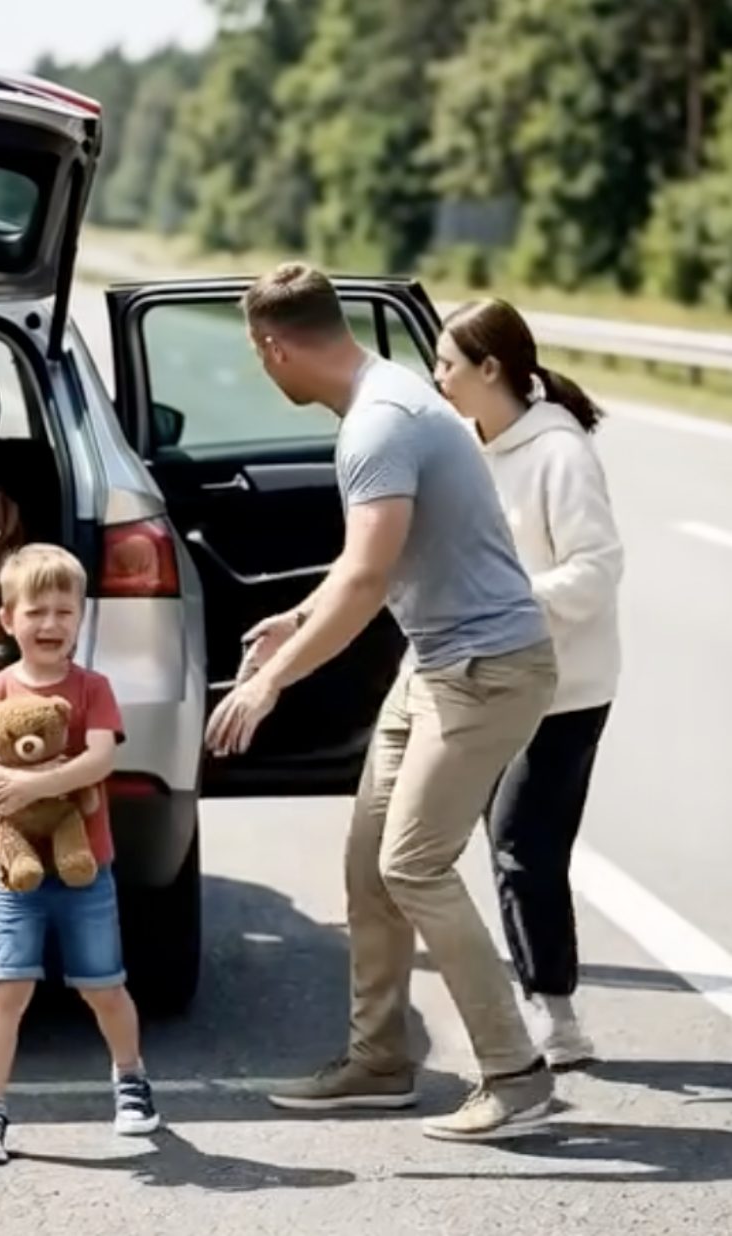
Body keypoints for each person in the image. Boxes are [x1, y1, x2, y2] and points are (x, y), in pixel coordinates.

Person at [206, 263, 560, 1141]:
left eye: (260, 358)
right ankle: (380, 1060)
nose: (264, 370)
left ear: (273, 345)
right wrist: (293, 619)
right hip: (435, 665)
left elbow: (366, 580)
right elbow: (377, 559)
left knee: (413, 866)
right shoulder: (387, 395)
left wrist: (268, 681)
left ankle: (515, 1073)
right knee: (371, 862)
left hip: (486, 669)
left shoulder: (376, 426)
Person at [436, 298, 623, 1070]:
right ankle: (541, 999)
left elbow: (598, 568)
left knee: (523, 847)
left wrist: (509, 601)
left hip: (562, 689)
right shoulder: (465, 445)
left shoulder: (559, 454)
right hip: (486, 678)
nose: (436, 376)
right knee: (503, 845)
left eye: (447, 362)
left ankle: (557, 1015)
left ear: (491, 369)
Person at [0, 543, 159, 1165]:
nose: (50, 624)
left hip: (84, 867)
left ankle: (132, 1081)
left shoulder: (92, 688)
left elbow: (99, 758)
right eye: (36, 611)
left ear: (81, 616)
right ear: (8, 619)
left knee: (103, 987)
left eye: (64, 611)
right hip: (13, 877)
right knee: (7, 990)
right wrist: (0, 779)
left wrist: (36, 784)